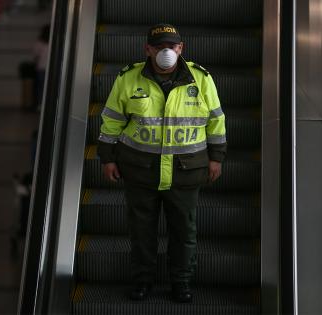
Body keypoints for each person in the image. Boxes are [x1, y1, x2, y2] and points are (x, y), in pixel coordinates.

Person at [97, 23, 226, 303]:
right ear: (148, 49)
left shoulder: (201, 79)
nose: (166, 51)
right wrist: (107, 157)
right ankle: (143, 281)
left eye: (173, 46)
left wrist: (216, 158)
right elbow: (112, 119)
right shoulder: (128, 78)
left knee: (184, 232)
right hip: (140, 171)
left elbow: (216, 120)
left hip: (186, 172)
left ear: (181, 49)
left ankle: (181, 282)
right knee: (141, 232)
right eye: (159, 46)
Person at [32, 24, 50, 110]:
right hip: (50, 69)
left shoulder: (39, 42)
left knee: (40, 88)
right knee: (49, 88)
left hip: (41, 68)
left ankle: (40, 104)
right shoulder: (54, 41)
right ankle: (48, 104)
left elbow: (35, 55)